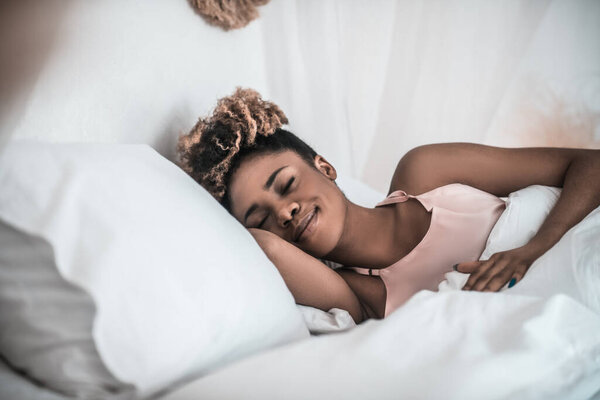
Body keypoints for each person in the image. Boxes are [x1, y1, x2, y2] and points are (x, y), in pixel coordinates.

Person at [177, 87, 600, 324]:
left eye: (286, 184)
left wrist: (532, 249)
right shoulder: (360, 295)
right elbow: (266, 249)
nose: (284, 211)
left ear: (325, 167)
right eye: (263, 217)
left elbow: (588, 165)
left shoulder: (426, 173)